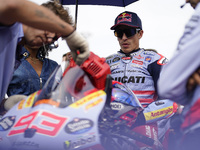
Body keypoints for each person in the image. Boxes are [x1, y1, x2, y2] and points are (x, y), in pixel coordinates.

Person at [106, 11, 177, 149]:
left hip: (146, 122)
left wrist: (141, 118)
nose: (124, 38)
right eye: (119, 33)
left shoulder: (154, 59)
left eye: (129, 32)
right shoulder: (106, 63)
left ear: (140, 34)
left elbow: (171, 99)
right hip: (113, 125)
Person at [0, 0, 89, 106]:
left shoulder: (14, 57)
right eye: (49, 27)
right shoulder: (8, 29)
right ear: (36, 16)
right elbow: (11, 5)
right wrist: (70, 33)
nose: (50, 38)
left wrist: (7, 103)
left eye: (55, 37)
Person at [6, 1, 74, 97]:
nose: (49, 37)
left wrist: (68, 68)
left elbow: (63, 97)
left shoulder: (53, 66)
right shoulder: (10, 61)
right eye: (46, 28)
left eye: (54, 37)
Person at [157, 0, 200, 149]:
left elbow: (168, 85)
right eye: (118, 33)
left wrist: (187, 76)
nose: (187, 2)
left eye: (128, 32)